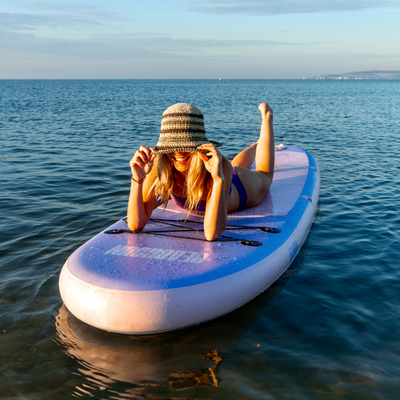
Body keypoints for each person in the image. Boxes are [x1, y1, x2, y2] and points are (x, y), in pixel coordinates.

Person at [127, 102, 274, 241]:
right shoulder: (159, 166)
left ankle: (267, 118)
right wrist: (137, 179)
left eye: (187, 145)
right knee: (235, 164)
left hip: (241, 190)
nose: (179, 152)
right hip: (223, 172)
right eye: (171, 146)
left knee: (264, 174)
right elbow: (135, 225)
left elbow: (212, 234)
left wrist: (218, 180)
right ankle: (255, 145)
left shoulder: (220, 166)